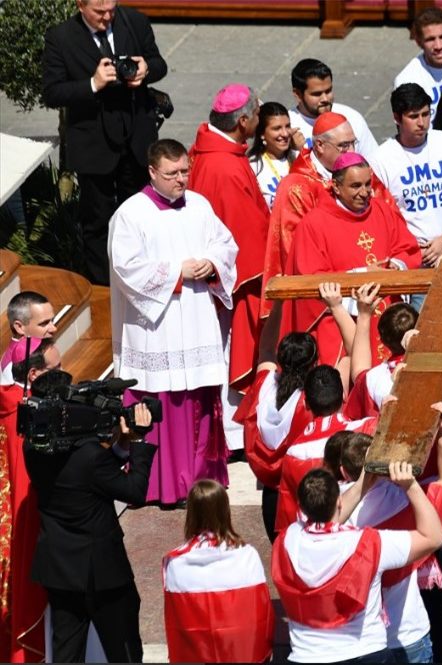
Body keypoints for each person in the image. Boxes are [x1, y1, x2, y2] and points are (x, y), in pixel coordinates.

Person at [110, 138, 237, 506]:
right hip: (157, 329)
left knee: (200, 397)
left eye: (185, 171)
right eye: (172, 174)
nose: (181, 180)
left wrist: (212, 263)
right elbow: (125, 269)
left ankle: (203, 480)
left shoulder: (199, 205)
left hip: (196, 319)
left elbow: (225, 244)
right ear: (152, 172)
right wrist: (175, 273)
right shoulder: (131, 214)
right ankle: (166, 486)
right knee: (166, 403)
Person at [42, 0, 167, 286]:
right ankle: (103, 288)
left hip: (136, 138)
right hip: (94, 144)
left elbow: (159, 63)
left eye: (111, 9)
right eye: (99, 12)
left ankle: (146, 281)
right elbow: (52, 92)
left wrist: (146, 70)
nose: (107, 17)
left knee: (141, 215)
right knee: (97, 222)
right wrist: (92, 84)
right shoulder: (60, 37)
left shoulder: (134, 21)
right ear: (80, 5)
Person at [271, 463, 442, 664]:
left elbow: (327, 517)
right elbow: (434, 537)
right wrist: (410, 486)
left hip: (307, 655)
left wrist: (362, 485)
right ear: (338, 501)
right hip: (365, 652)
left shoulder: (286, 541)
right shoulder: (367, 543)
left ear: (300, 506)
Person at [24, 398, 155, 663]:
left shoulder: (33, 450)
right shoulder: (91, 456)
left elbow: (92, 475)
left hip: (60, 569)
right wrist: (138, 441)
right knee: (124, 649)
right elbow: (135, 491)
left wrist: (121, 446)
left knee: (67, 651)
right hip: (103, 574)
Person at [288, 153, 421, 365]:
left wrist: (395, 266)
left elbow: (408, 248)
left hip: (389, 316)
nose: (364, 193)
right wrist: (361, 275)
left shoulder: (381, 209)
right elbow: (310, 280)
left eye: (368, 184)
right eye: (355, 186)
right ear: (336, 186)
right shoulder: (314, 224)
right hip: (344, 322)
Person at [263, 111, 395, 318]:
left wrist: (393, 262)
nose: (351, 150)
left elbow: (390, 218)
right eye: (344, 145)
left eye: (353, 143)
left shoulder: (359, 171)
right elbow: (297, 253)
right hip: (328, 299)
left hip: (377, 285)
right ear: (320, 146)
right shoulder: (296, 187)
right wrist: (357, 272)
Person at [188, 83, 268, 397]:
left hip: (213, 281)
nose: (260, 119)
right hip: (229, 289)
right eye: (258, 114)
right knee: (228, 354)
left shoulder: (212, 152)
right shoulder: (224, 168)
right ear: (242, 122)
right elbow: (244, 234)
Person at [162, 480, 274, 663]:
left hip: (199, 654)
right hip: (240, 652)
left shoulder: (175, 562)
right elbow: (261, 612)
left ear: (191, 513)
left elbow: (177, 623)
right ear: (225, 510)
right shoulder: (247, 555)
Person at [370, 83, 442, 279]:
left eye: (426, 114)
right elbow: (384, 214)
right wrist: (412, 249)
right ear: (396, 118)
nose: (422, 122)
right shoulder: (381, 159)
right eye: (413, 116)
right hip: (415, 256)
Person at [0, 338, 61, 663]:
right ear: (35, 374)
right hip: (29, 530)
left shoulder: (11, 407)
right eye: (58, 370)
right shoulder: (26, 418)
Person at [237, 332, 319, 541]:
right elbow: (350, 358)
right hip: (305, 491)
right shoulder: (312, 400)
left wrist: (277, 304)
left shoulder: (263, 387)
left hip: (271, 495)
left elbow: (264, 349)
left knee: (280, 557)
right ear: (315, 362)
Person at [287, 58, 378, 156]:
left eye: (328, 91)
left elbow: (373, 161)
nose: (325, 99)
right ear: (298, 94)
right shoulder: (288, 128)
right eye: (317, 94)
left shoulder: (351, 118)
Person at [247, 101, 305, 208]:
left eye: (287, 126)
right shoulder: (252, 165)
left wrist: (303, 152)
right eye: (277, 128)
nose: (285, 133)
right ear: (262, 134)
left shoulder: (299, 156)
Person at [0, 291, 57, 386]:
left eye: (52, 320)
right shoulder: (15, 370)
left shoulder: (33, 353)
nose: (54, 328)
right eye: (44, 323)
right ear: (19, 327)